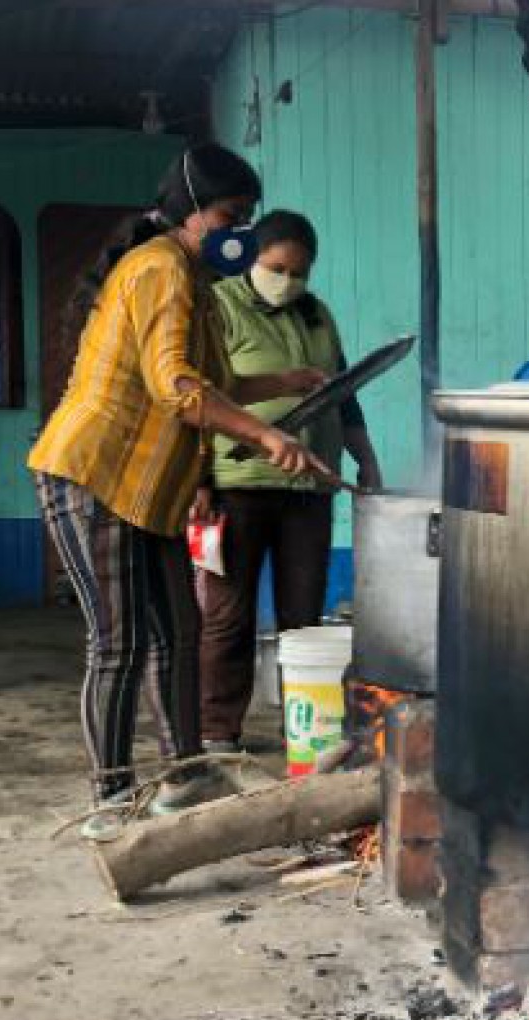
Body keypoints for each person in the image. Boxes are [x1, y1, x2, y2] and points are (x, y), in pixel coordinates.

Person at [28, 146, 332, 838]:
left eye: (247, 221)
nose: (241, 235)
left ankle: (183, 775)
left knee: (180, 632)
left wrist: (284, 385)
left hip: (148, 491)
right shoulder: (161, 269)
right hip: (96, 473)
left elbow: (213, 380)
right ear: (191, 212)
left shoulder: (191, 278)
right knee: (120, 643)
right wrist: (262, 436)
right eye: (232, 217)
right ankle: (110, 800)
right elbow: (177, 387)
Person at [194, 210, 382, 752]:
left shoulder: (317, 314)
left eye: (300, 273)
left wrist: (364, 457)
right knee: (230, 614)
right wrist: (200, 480)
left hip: (310, 487)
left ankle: (305, 727)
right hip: (238, 481)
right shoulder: (219, 305)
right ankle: (218, 732)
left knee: (303, 617)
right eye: (278, 268)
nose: (289, 282)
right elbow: (196, 396)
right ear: (253, 257)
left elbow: (344, 392)